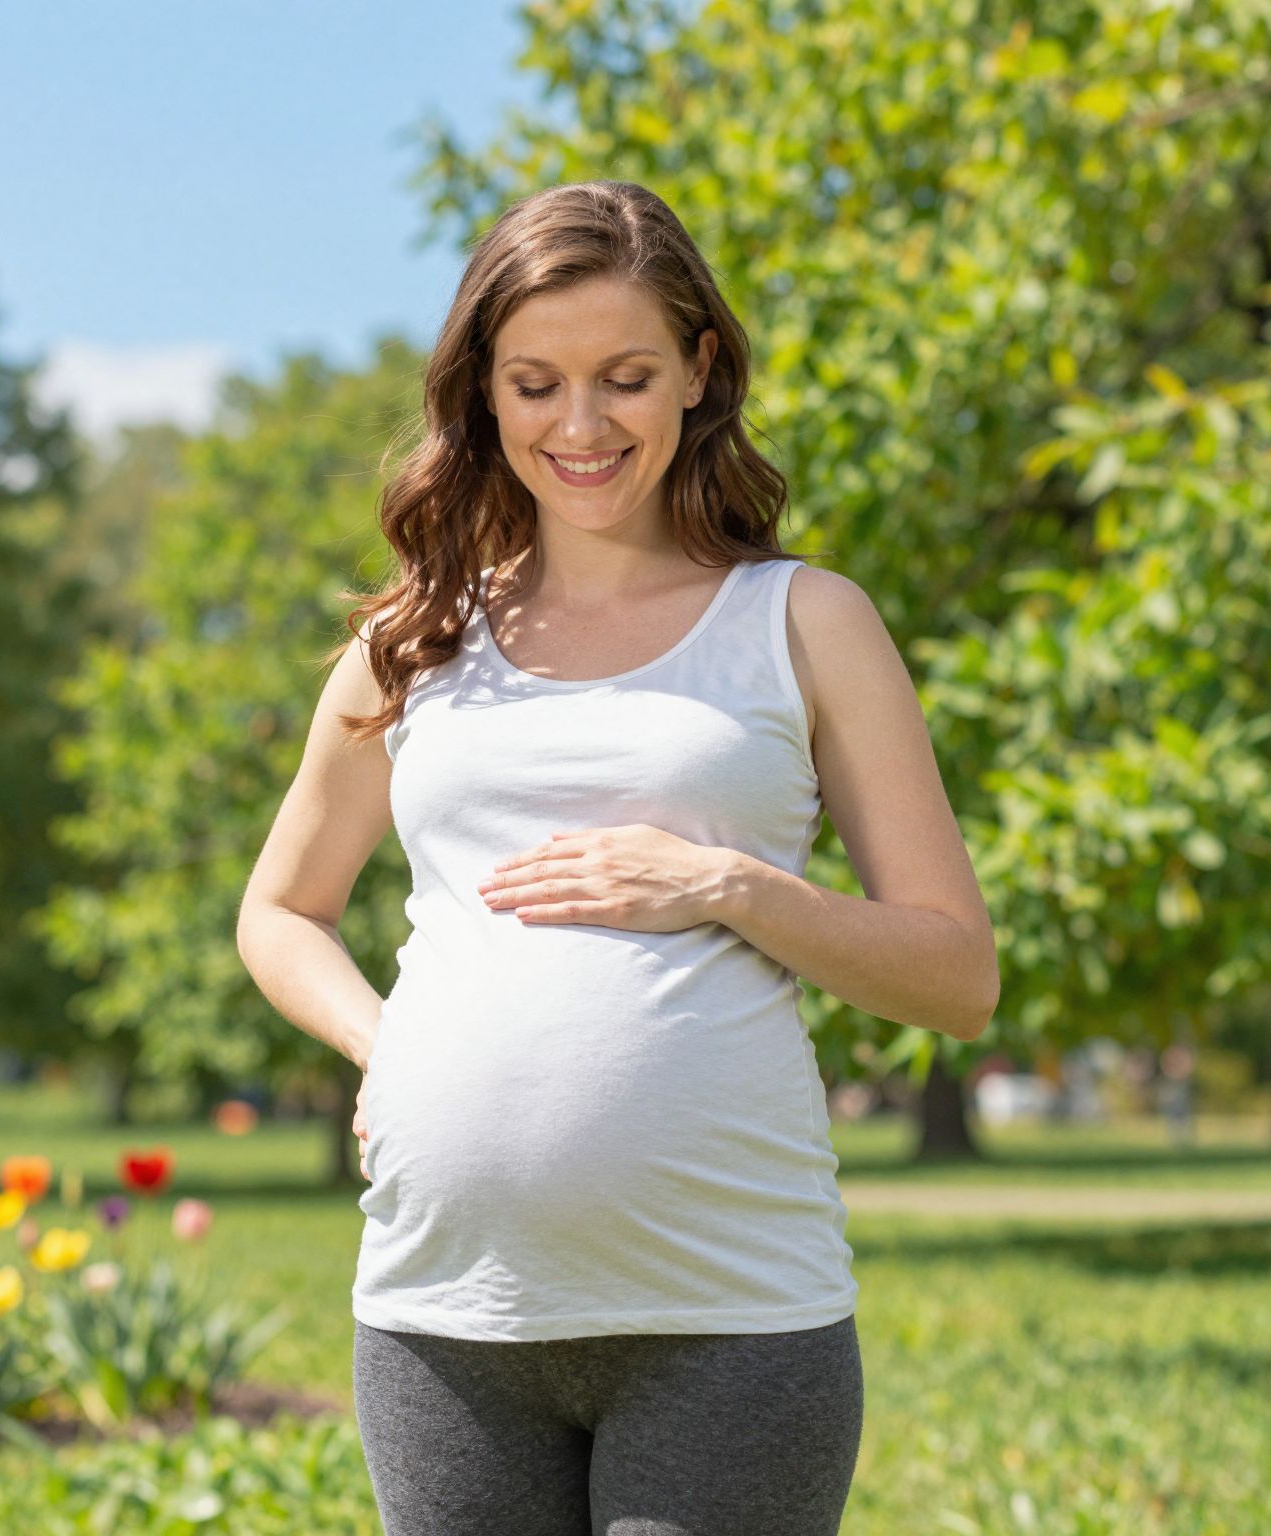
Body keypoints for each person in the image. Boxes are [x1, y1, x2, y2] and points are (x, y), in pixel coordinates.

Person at [236, 180, 998, 1536]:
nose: (580, 427)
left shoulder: (805, 623)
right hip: (444, 1321)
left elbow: (956, 977)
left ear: (700, 370)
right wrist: (383, 1043)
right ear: (481, 394)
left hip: (730, 1323)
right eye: (535, 383)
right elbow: (283, 911)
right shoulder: (409, 646)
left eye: (625, 377)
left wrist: (726, 887)